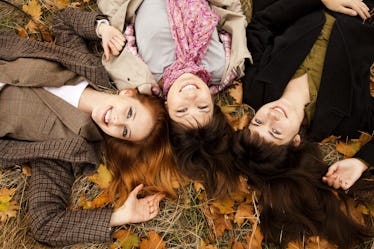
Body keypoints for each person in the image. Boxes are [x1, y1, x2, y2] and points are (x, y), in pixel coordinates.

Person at [0, 17, 182, 247]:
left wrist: (119, 216)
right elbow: (62, 21)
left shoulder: (73, 147)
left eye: (124, 132)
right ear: (127, 94)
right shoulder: (88, 68)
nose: (116, 122)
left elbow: (44, 223)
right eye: (129, 114)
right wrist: (103, 29)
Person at [233, 0, 374, 247]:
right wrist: (361, 162)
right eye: (275, 132)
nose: (272, 116)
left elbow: (261, 25)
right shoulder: (344, 122)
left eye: (258, 122)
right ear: (295, 141)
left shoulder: (256, 89)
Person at [95, 0, 252, 198]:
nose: (190, 96)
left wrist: (105, 29)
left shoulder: (141, 78)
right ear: (213, 104)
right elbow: (231, 14)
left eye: (182, 110)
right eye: (202, 106)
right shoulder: (223, 66)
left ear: (167, 109)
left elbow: (115, 26)